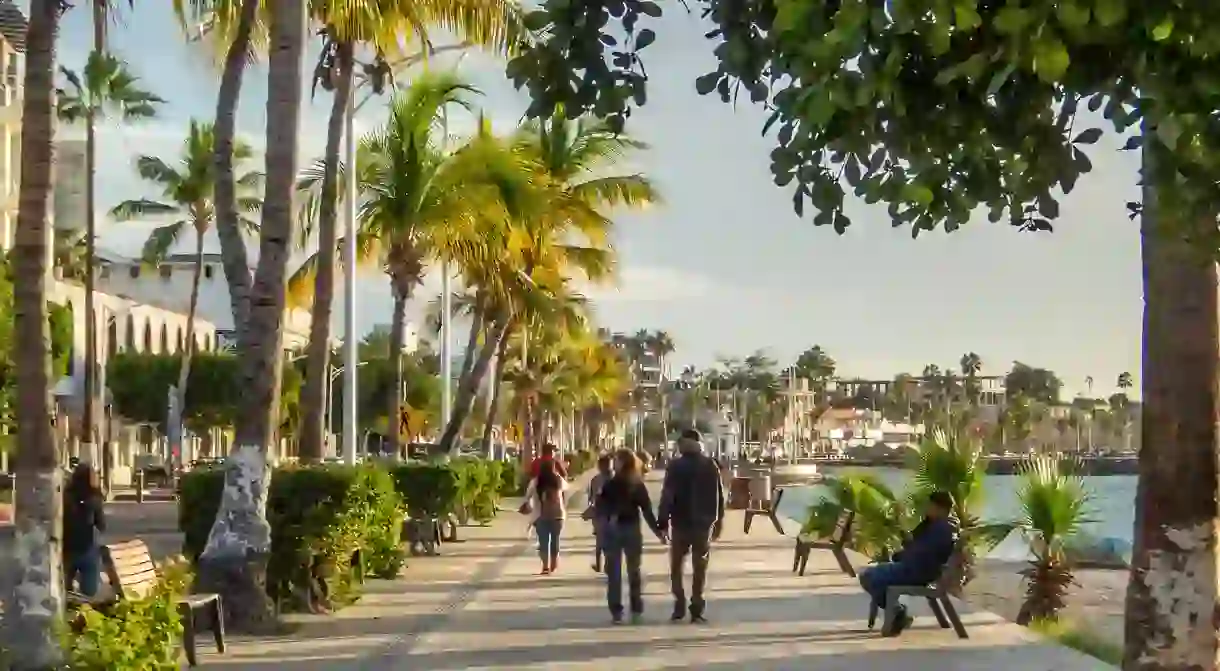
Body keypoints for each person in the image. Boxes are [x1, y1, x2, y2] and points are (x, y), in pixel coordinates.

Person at [859, 490, 958, 636]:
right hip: (917, 569)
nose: (927, 509)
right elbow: (920, 548)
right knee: (869, 575)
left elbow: (923, 553)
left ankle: (898, 613)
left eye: (930, 506)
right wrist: (906, 547)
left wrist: (902, 554)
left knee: (869, 577)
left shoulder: (942, 529)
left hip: (917, 572)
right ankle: (897, 612)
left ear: (940, 508)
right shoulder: (937, 525)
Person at [657, 429, 724, 624]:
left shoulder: (675, 467)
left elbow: (667, 496)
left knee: (677, 566)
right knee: (700, 567)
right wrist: (719, 520)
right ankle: (696, 607)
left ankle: (679, 603)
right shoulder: (710, 465)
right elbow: (719, 496)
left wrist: (663, 523)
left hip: (680, 523)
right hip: (703, 525)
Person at [597, 449, 663, 624]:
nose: (614, 463)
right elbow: (647, 511)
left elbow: (601, 509)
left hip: (614, 530)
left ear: (622, 463)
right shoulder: (637, 484)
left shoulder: (610, 484)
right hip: (632, 529)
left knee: (614, 573)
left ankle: (617, 611)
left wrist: (600, 529)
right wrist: (658, 532)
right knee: (634, 571)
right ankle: (636, 607)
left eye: (617, 460)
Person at [63, 462, 106, 597]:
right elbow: (102, 525)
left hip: (67, 548)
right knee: (89, 592)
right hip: (87, 548)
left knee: (64, 587)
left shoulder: (65, 496)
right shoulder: (94, 498)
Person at [525, 459, 568, 574]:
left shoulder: (536, 481)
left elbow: (527, 496)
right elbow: (566, 490)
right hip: (558, 515)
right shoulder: (558, 479)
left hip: (541, 515)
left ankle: (545, 566)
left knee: (543, 542)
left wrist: (527, 504)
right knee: (555, 540)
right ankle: (554, 563)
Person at [583, 454, 614, 572]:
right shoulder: (616, 478)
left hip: (601, 514)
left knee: (600, 541)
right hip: (608, 514)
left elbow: (591, 499)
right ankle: (604, 564)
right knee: (607, 540)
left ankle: (601, 564)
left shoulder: (596, 479)